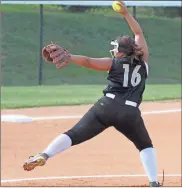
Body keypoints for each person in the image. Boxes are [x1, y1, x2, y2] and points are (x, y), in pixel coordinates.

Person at [23, 1, 162, 187]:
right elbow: (138, 33)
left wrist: (70, 57)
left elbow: (88, 61)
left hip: (106, 107)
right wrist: (126, 13)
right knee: (145, 145)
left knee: (73, 134)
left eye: (116, 48)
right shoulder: (143, 63)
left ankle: (44, 154)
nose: (114, 50)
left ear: (120, 52)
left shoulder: (113, 63)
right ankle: (153, 182)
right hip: (130, 113)